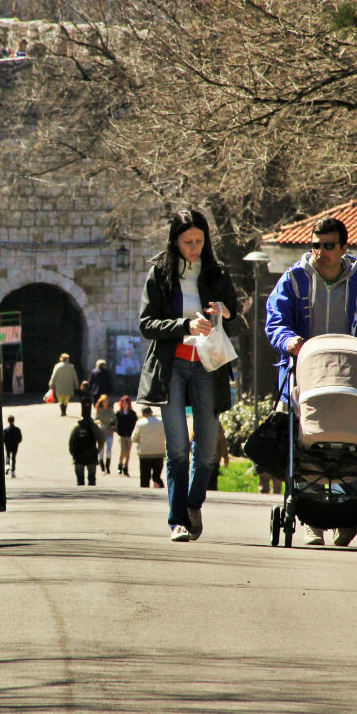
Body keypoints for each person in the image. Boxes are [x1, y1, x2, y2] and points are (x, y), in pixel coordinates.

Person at [264, 216, 357, 546]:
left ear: (344, 248)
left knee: (350, 442)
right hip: (304, 380)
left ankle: (348, 515)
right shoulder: (293, 280)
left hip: (351, 380)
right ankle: (312, 521)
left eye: (329, 246)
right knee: (306, 443)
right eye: (316, 245)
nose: (321, 252)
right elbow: (275, 320)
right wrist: (288, 340)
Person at [138, 208, 238, 543]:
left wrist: (227, 312)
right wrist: (184, 325)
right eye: (187, 241)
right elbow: (146, 324)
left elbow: (237, 321)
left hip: (208, 366)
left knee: (207, 449)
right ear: (175, 241)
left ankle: (193, 503)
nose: (194, 247)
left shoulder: (216, 272)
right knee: (178, 449)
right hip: (172, 368)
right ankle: (177, 520)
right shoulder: (160, 273)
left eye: (199, 240)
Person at [68, 401, 104, 486]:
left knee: (80, 481)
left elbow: (71, 442)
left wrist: (73, 454)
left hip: (78, 456)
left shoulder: (76, 427)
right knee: (92, 479)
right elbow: (101, 440)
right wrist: (97, 452)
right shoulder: (94, 427)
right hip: (91, 456)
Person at [132, 406, 165, 489]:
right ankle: (159, 488)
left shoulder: (140, 423)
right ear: (151, 412)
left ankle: (145, 493)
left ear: (143, 414)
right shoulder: (161, 422)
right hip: (159, 453)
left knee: (145, 477)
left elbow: (134, 438)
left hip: (145, 454)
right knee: (157, 476)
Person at [48, 353, 80, 417]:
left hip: (59, 386)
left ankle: (62, 409)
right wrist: (76, 385)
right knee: (66, 399)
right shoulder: (71, 366)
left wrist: (51, 384)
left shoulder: (57, 366)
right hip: (68, 385)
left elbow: (54, 376)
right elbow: (74, 377)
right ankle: (64, 410)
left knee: (60, 399)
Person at [114, 395, 137, 477]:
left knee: (128, 452)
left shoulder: (133, 413)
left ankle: (126, 467)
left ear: (129, 404)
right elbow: (116, 423)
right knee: (123, 451)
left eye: (126, 403)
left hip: (130, 435)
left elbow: (135, 424)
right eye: (123, 402)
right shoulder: (118, 413)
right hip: (122, 435)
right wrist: (117, 431)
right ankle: (120, 464)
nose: (125, 404)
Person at [93, 393, 115, 474]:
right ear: (101, 402)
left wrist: (113, 425)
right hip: (101, 433)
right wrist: (98, 422)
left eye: (106, 401)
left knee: (109, 450)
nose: (105, 403)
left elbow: (115, 420)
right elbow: (95, 420)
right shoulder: (99, 410)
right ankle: (102, 468)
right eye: (104, 401)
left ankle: (108, 467)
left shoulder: (110, 411)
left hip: (109, 432)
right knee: (101, 450)